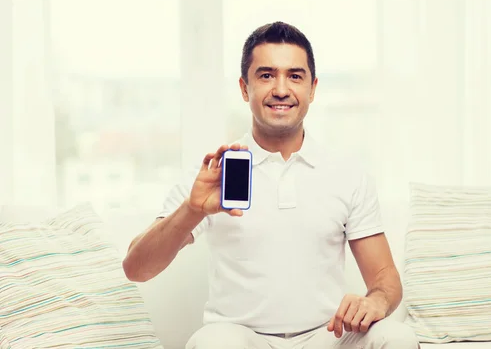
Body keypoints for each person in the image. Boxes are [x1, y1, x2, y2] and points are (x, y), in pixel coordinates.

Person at [122, 21, 419, 349]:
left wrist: (375, 302)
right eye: (266, 75)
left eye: (294, 76)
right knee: (214, 343)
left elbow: (385, 279)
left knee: (397, 337)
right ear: (244, 88)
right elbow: (137, 268)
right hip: (241, 339)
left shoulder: (347, 174)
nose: (281, 89)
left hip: (329, 337)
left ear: (312, 88)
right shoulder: (213, 174)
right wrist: (192, 210)